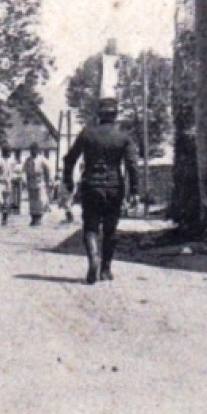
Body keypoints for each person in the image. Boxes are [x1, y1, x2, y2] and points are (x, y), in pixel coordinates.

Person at [62, 97, 140, 284]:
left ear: (99, 114)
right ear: (115, 115)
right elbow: (132, 166)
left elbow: (69, 159)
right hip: (114, 187)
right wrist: (134, 191)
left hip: (91, 185)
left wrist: (68, 182)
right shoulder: (123, 137)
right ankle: (105, 269)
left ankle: (93, 260)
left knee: (90, 227)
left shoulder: (87, 134)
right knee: (110, 230)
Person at [23, 144, 51, 226]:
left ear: (37, 150)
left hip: (40, 182)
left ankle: (39, 218)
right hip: (31, 182)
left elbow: (48, 171)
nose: (32, 152)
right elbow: (24, 171)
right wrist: (25, 181)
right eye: (31, 150)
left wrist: (48, 181)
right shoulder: (28, 160)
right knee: (32, 201)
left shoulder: (42, 160)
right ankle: (33, 218)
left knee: (40, 201)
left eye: (34, 150)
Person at [0, 148, 15, 226]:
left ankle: (4, 220)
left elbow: (12, 172)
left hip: (7, 183)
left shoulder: (11, 161)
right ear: (4, 152)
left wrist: (10, 179)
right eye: (8, 151)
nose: (10, 153)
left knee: (7, 202)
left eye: (10, 152)